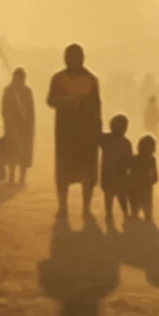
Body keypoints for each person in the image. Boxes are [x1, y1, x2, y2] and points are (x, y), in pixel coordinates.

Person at [47, 44, 102, 217]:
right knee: (64, 171)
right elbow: (50, 100)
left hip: (86, 132)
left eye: (78, 56)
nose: (75, 60)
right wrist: (66, 101)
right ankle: (62, 207)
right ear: (66, 58)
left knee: (87, 172)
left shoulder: (91, 79)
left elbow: (97, 105)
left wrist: (97, 130)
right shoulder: (58, 78)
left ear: (83, 58)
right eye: (71, 57)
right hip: (65, 132)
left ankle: (86, 208)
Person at [0, 67, 35, 186]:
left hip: (25, 128)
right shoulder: (9, 91)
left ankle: (22, 177)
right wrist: (10, 122)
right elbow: (4, 109)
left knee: (24, 152)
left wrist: (29, 125)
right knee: (12, 150)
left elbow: (31, 110)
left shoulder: (27, 91)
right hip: (12, 127)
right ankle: (12, 175)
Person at [99, 114, 134, 225]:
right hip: (110, 174)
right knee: (111, 195)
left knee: (118, 195)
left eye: (123, 127)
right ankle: (110, 213)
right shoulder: (107, 139)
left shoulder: (124, 142)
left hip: (118, 174)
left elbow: (129, 160)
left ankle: (122, 213)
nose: (122, 129)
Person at [128, 135, 159, 223]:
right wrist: (150, 181)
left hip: (137, 185)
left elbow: (128, 172)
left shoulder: (135, 158)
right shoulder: (151, 159)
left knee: (136, 208)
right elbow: (155, 176)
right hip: (144, 185)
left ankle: (136, 219)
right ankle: (145, 219)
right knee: (146, 208)